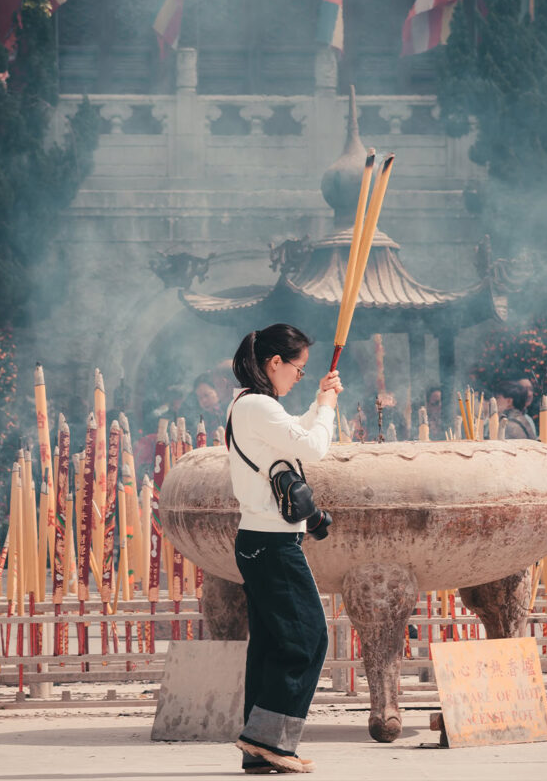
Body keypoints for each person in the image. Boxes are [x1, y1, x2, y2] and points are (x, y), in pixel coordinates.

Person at [225, 323, 341, 774]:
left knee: (273, 645)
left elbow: (298, 434)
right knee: (308, 640)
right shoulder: (256, 405)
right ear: (274, 362)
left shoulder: (250, 404)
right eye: (298, 369)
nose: (299, 377)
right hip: (272, 544)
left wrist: (319, 402)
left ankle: (259, 749)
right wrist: (328, 407)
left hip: (261, 540)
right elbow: (313, 448)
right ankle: (268, 741)